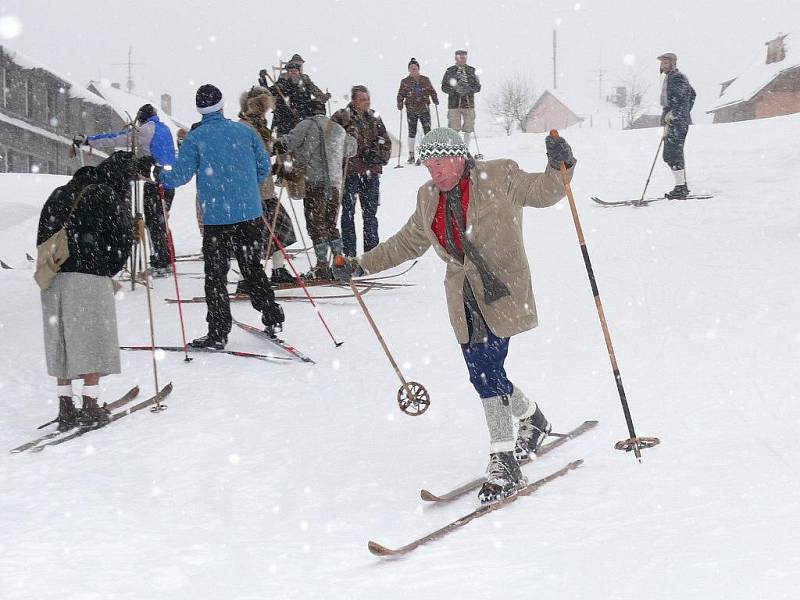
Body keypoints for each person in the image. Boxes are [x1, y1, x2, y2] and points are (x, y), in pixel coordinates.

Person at [334, 128, 576, 504]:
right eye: (429, 163)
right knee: (483, 373)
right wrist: (359, 265)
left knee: (487, 371)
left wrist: (560, 163)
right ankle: (533, 417)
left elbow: (544, 191)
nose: (436, 170)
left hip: (501, 291)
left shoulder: (500, 174)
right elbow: (406, 242)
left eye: (442, 160)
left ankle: (503, 459)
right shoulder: (428, 196)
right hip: (463, 297)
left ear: (461, 156)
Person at [160, 84, 285, 346]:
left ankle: (218, 332)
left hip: (217, 219)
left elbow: (178, 177)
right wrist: (245, 185)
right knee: (252, 268)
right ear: (223, 104)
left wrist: (157, 174)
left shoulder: (195, 139)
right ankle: (272, 315)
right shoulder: (244, 132)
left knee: (215, 275)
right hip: (249, 213)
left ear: (199, 109)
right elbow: (264, 167)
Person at [38, 152, 135, 430]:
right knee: (93, 338)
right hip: (89, 275)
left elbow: (42, 237)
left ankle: (65, 404)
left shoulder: (57, 194)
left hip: (54, 276)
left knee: (62, 339)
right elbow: (121, 239)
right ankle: (90, 404)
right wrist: (107, 269)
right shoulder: (105, 195)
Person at [74, 104, 177, 275]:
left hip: (156, 184)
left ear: (141, 118)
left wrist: (88, 140)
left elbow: (119, 138)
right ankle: (166, 260)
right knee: (161, 222)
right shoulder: (164, 128)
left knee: (154, 223)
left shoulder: (146, 130)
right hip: (169, 184)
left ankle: (161, 263)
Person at [277, 100, 357, 279]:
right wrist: (350, 128)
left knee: (316, 225)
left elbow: (289, 143)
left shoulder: (306, 125)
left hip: (314, 183)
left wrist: (277, 144)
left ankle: (322, 266)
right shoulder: (337, 129)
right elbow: (351, 149)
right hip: (335, 185)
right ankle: (338, 263)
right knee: (330, 225)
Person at [237, 86, 297, 285]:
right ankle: (248, 278)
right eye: (265, 106)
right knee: (254, 237)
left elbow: (265, 151)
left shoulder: (261, 126)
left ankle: (278, 270)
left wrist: (277, 160)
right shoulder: (245, 128)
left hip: (266, 191)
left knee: (279, 229)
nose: (267, 110)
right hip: (252, 192)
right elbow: (248, 159)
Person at [331, 85, 392, 257]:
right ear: (354, 100)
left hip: (371, 173)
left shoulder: (374, 118)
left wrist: (378, 156)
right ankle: (349, 253)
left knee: (370, 214)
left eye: (368, 99)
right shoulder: (341, 117)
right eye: (362, 100)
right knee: (348, 213)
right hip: (349, 173)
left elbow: (386, 142)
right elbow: (331, 142)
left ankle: (372, 254)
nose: (366, 103)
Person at [658, 52, 696, 199]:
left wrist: (676, 114)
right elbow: (692, 95)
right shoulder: (671, 77)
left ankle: (681, 187)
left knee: (671, 153)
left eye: (666, 62)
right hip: (675, 121)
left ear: (673, 63)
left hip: (677, 122)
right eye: (662, 63)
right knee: (671, 153)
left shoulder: (677, 77)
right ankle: (681, 186)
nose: (663, 65)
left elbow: (683, 98)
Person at [265, 59, 330, 136]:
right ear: (288, 72)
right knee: (285, 140)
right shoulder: (282, 82)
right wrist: (263, 80)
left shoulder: (304, 80)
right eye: (291, 71)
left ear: (299, 71)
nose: (293, 72)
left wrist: (323, 97)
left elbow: (314, 89)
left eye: (295, 70)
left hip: (302, 116)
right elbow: (268, 92)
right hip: (284, 119)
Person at [397, 57, 439, 164]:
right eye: (411, 68)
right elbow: (401, 94)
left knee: (427, 130)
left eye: (414, 68)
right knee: (412, 132)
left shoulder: (425, 79)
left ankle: (429, 152)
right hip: (411, 109)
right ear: (409, 70)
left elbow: (431, 90)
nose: (413, 69)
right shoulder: (405, 82)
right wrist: (400, 102)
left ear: (418, 68)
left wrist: (435, 99)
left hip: (424, 107)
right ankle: (411, 155)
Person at [441, 50, 481, 152]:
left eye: (464, 57)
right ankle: (456, 149)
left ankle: (465, 149)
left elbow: (478, 87)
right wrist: (454, 90)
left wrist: (469, 90)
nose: (462, 59)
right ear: (456, 58)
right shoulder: (450, 71)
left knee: (469, 127)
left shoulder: (471, 71)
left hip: (468, 104)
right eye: (460, 57)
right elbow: (444, 87)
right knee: (453, 128)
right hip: (454, 105)